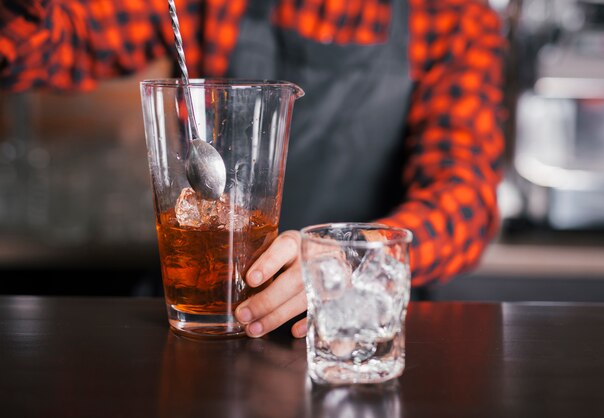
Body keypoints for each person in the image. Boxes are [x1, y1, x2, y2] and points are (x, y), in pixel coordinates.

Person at [0, 0, 506, 338]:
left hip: (347, 327)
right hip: (202, 309)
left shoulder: (452, 14)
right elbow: (34, 52)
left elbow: (466, 197)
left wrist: (353, 258)